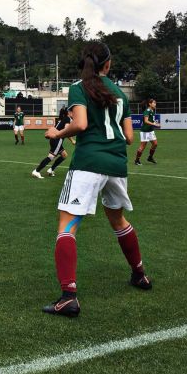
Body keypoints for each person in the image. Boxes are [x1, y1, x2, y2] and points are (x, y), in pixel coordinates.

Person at [43, 42, 152, 318]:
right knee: (118, 220)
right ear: (108, 64)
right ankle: (139, 274)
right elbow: (129, 138)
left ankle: (68, 297)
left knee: (67, 226)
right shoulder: (121, 94)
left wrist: (57, 134)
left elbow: (80, 124)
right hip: (116, 164)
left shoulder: (79, 87)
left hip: (88, 163)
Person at [32, 106, 75, 179]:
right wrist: (73, 135)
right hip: (57, 140)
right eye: (72, 111)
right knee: (51, 157)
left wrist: (72, 140)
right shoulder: (67, 119)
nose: (74, 113)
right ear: (68, 112)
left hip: (55, 139)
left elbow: (63, 130)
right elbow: (66, 130)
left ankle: (51, 170)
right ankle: (36, 171)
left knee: (64, 155)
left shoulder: (63, 119)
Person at [134, 98, 160, 165]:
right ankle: (137, 160)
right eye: (154, 103)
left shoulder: (152, 110)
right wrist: (154, 124)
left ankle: (150, 157)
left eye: (155, 103)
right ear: (150, 104)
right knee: (143, 146)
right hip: (145, 131)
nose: (155, 104)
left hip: (150, 130)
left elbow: (151, 120)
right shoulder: (147, 111)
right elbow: (146, 121)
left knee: (155, 144)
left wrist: (155, 123)